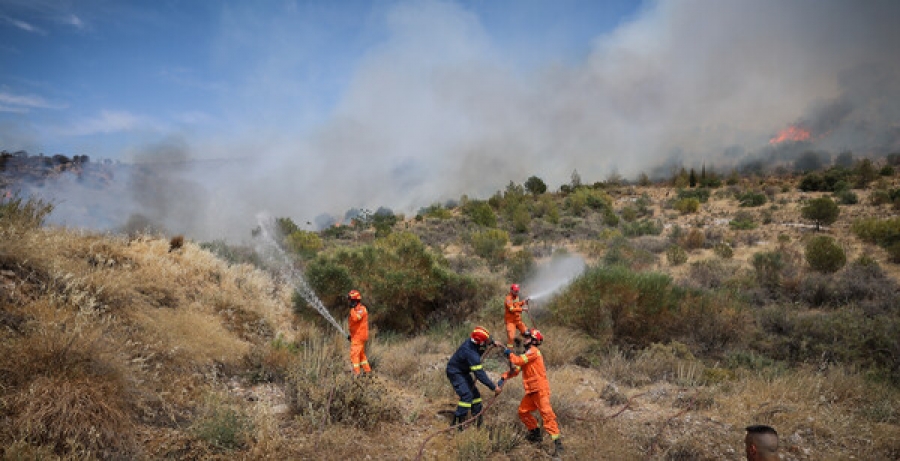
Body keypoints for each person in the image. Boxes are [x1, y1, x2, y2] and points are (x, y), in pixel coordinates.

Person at [498, 329, 563, 455]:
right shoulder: (526, 353)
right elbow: (516, 370)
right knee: (523, 412)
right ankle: (535, 434)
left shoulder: (534, 352)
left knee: (547, 416)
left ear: (534, 340)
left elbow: (517, 361)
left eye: (527, 337)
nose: (524, 339)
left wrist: (509, 354)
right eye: (525, 337)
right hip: (532, 391)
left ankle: (558, 446)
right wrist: (503, 377)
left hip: (540, 390)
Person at [445, 326, 503, 430]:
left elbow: (483, 344)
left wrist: (492, 342)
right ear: (479, 342)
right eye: (486, 341)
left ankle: (478, 422)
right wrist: (493, 387)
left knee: (475, 396)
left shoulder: (474, 342)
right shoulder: (470, 353)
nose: (487, 341)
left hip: (463, 372)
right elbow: (480, 374)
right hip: (455, 372)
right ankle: (457, 424)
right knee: (467, 396)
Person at [347, 289, 371, 376]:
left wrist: (352, 309)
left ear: (355, 301)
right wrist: (352, 336)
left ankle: (356, 374)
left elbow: (356, 318)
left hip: (359, 337)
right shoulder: (356, 310)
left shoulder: (361, 309)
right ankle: (368, 372)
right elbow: (355, 325)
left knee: (354, 355)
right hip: (356, 336)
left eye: (351, 300)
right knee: (361, 356)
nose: (349, 302)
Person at [504, 283, 530, 350]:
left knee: (527, 333)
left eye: (517, 291)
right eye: (515, 291)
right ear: (511, 290)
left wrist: (524, 302)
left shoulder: (516, 297)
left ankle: (518, 340)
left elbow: (517, 304)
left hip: (518, 320)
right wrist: (522, 309)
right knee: (511, 337)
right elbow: (511, 309)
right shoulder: (508, 299)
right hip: (510, 322)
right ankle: (509, 353)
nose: (517, 292)